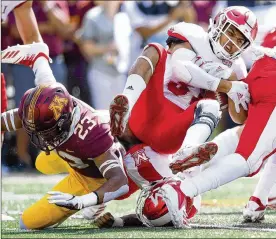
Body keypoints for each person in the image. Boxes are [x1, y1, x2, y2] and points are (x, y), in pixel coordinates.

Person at [1, 42, 129, 229]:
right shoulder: (49, 103)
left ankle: (97, 202)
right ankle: (39, 56)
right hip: (72, 156)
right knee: (41, 162)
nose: (40, 137)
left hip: (91, 175)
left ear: (64, 122)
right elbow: (12, 118)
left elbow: (120, 182)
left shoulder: (92, 134)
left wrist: (83, 201)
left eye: (46, 131)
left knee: (27, 223)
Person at [109, 6, 256, 158]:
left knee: (211, 105)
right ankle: (126, 105)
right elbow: (182, 70)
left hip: (174, 129)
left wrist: (234, 87)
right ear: (218, 24)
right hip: (149, 109)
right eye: (230, 33)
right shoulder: (193, 34)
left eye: (239, 41)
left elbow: (239, 118)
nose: (232, 42)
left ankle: (188, 151)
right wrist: (226, 85)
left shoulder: (237, 68)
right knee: (155, 50)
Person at [167, 42, 276, 225]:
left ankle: (259, 200)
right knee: (249, 159)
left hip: (264, 67)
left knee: (265, 137)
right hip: (272, 79)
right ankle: (182, 190)